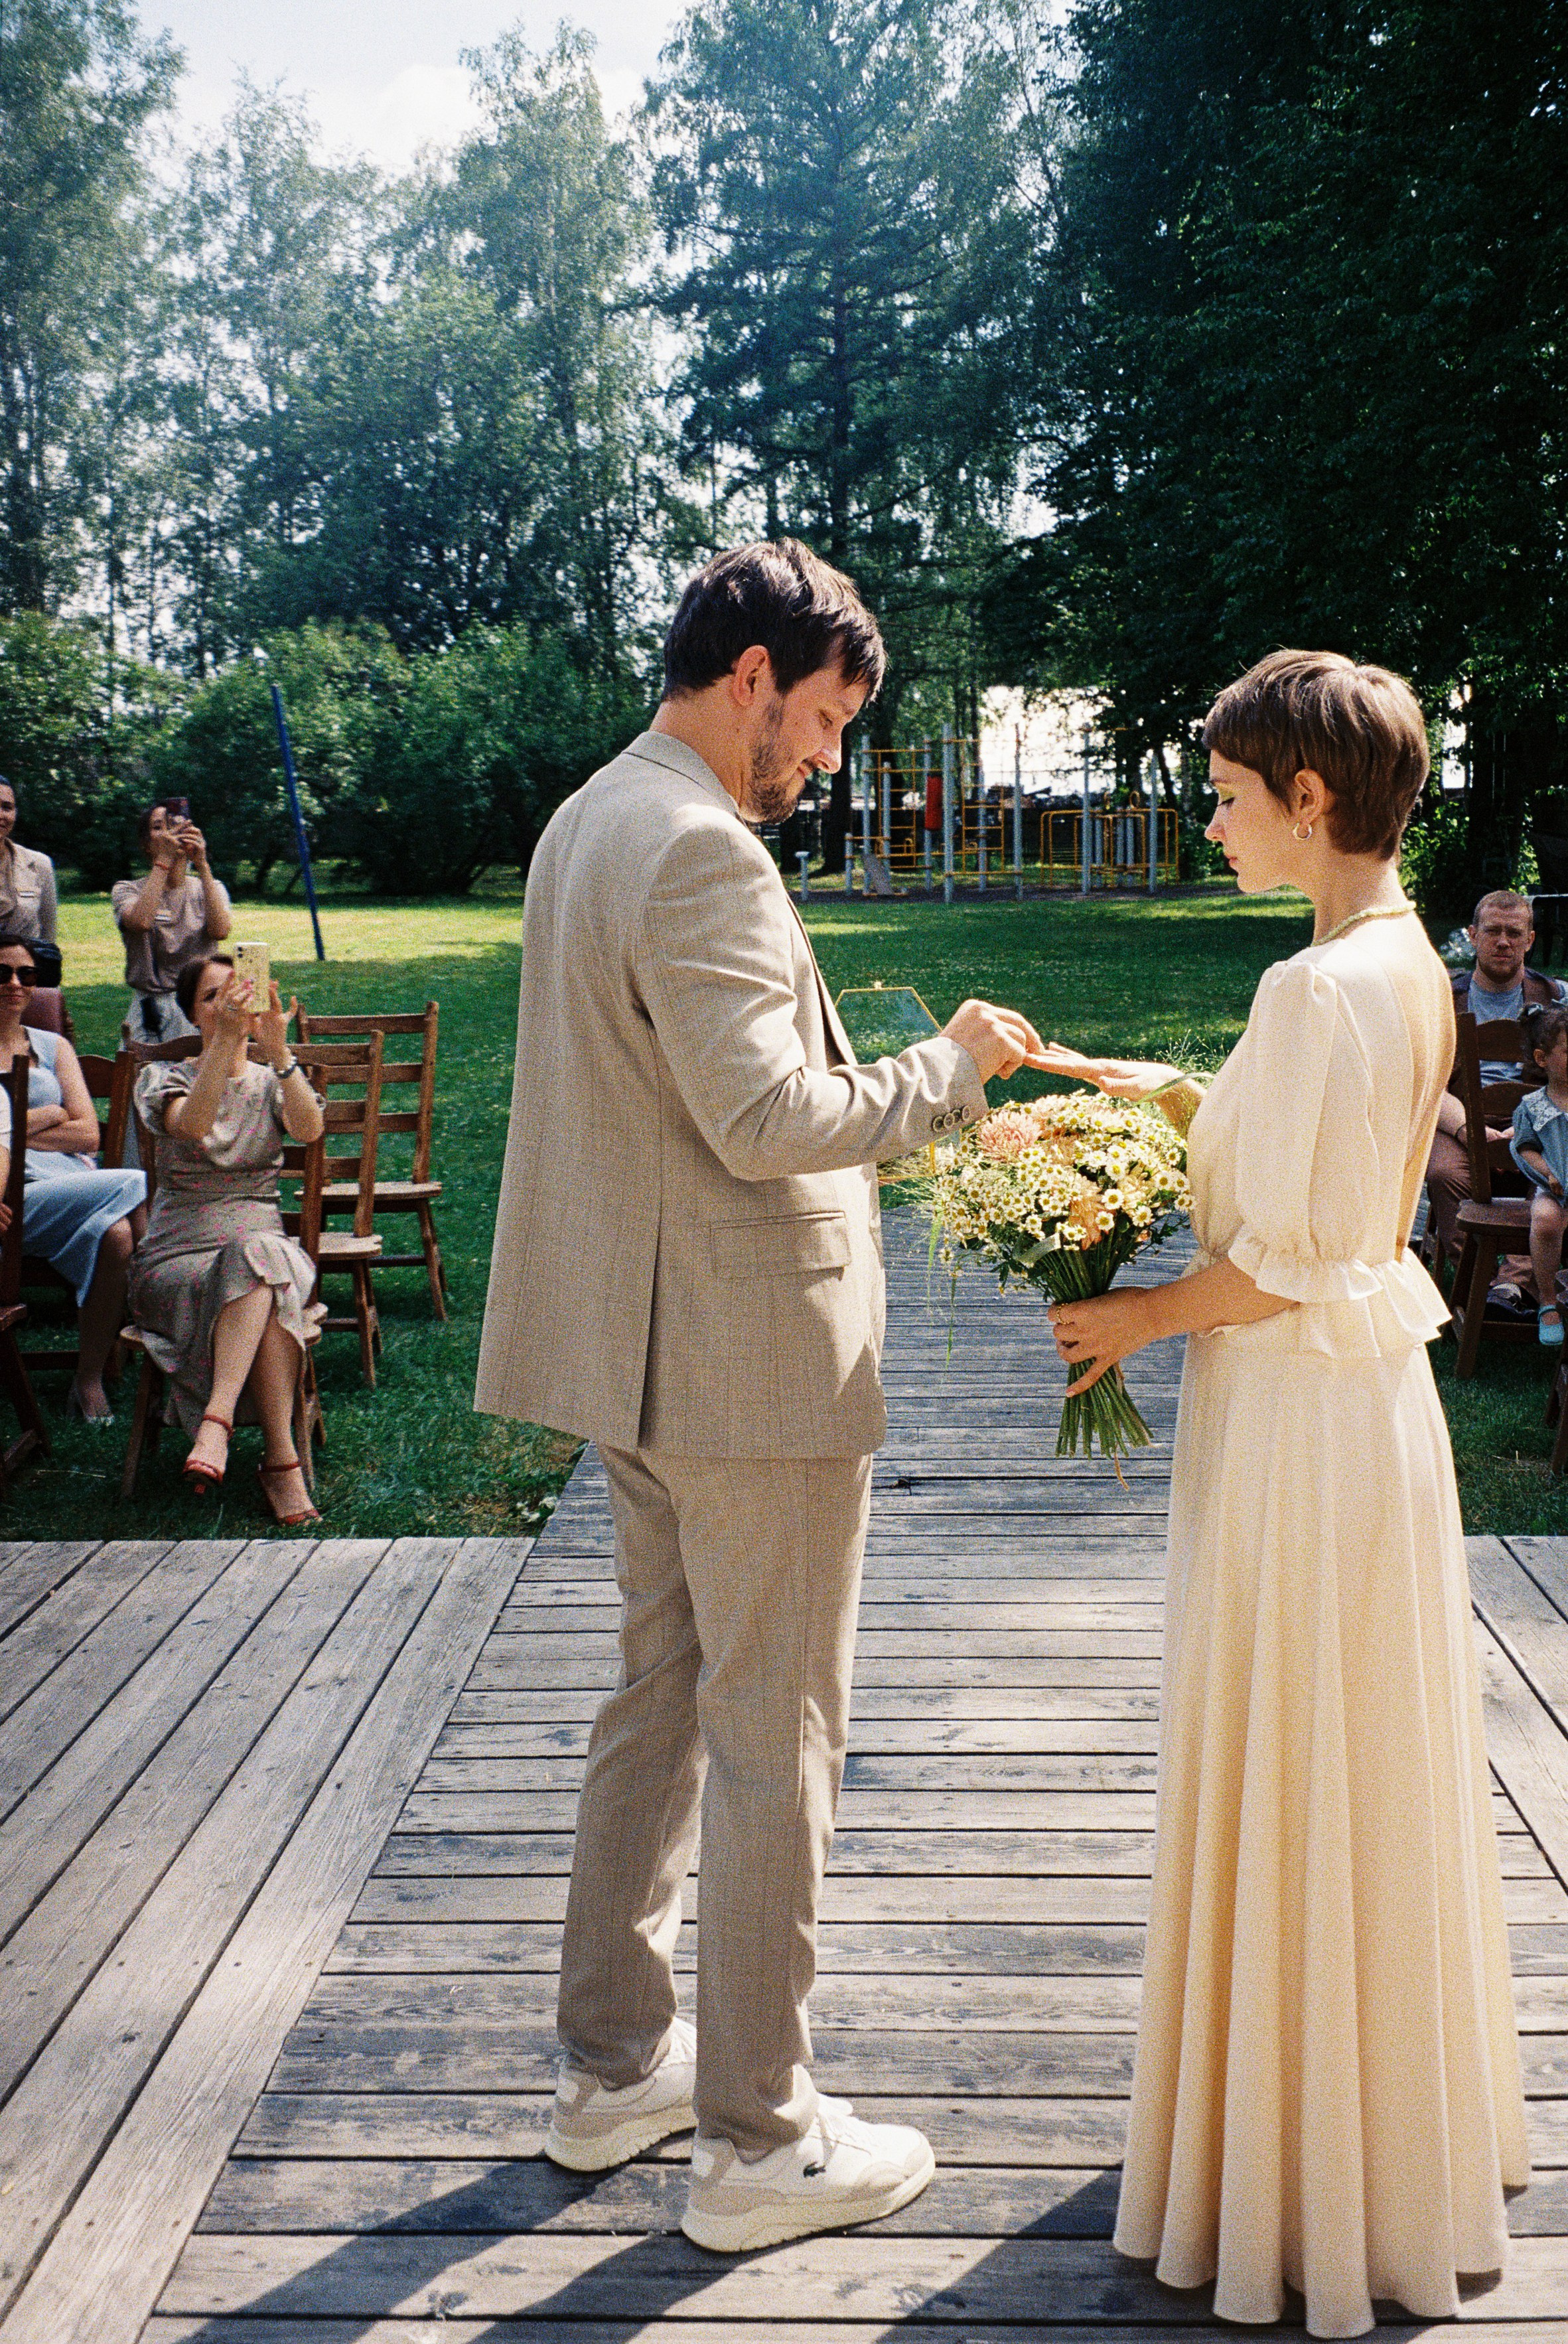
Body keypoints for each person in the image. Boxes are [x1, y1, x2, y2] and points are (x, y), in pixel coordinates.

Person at [476, 540, 1044, 2254]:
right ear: (746, 677)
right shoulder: (701, 847)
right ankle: (757, 2139)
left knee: (654, 1705)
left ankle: (611, 2071)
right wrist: (949, 1069)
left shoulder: (591, 815)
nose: (825, 759)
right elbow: (766, 1117)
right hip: (744, 1370)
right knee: (770, 1737)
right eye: (817, 720)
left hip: (638, 1360)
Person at [1040, 650, 1528, 2337]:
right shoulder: (1391, 957)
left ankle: (1294, 2172)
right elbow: (1323, 1166)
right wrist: (1128, 1089)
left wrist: (1126, 1316)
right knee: (1359, 1763)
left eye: (1230, 793)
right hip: (1369, 1419)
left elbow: (1293, 1264)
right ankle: (1381, 2129)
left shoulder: (1310, 987)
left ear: (1306, 798)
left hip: (1298, 1426)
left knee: (1297, 1750)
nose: (1212, 817)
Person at [129, 952, 326, 1526]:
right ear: (193, 1015)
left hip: (266, 1248)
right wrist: (227, 1046)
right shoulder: (164, 1078)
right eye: (212, 997)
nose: (228, 1005)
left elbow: (309, 1133)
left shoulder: (273, 1081)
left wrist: (278, 1049)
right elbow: (192, 1127)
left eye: (237, 992)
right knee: (266, 1277)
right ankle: (282, 1463)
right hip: (179, 1261)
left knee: (259, 1256)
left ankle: (214, 1425)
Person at [0, 931, 146, 1422]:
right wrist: (45, 1116)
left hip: (69, 1185)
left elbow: (86, 1135)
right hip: (7, 1199)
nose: (16, 984)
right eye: (3, 973)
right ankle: (162, 1317)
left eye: (27, 975)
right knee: (138, 1185)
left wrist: (14, 1129)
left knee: (119, 1235)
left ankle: (88, 1380)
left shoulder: (53, 1046)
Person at [1424, 889, 1565, 1305]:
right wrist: (1467, 1128)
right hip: (1461, 1120)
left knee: (1555, 1180)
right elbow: (1425, 1083)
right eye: (1492, 931)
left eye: (1513, 932)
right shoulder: (1443, 1000)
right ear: (1472, 935)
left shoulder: (1557, 998)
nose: (1503, 941)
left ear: (1530, 940)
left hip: (1539, 1123)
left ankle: (1513, 1281)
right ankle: (1482, 1280)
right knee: (1443, 1174)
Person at [111, 802, 232, 1043]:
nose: (170, 833)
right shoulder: (127, 889)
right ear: (146, 845)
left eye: (174, 824)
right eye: (159, 827)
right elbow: (141, 922)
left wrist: (202, 864)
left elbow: (220, 931)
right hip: (151, 1007)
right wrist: (164, 861)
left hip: (199, 1004)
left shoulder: (211, 887)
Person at [1509, 1001, 1568, 1346]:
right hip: (1555, 1190)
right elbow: (1524, 1147)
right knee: (1545, 1218)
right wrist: (1549, 1174)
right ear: (1543, 1059)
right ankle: (1548, 1304)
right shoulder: (1533, 1107)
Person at [0, 776, 58, 948]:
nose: (1, 815)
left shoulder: (40, 865)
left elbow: (48, 940)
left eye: (7, 807)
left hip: (21, 974)